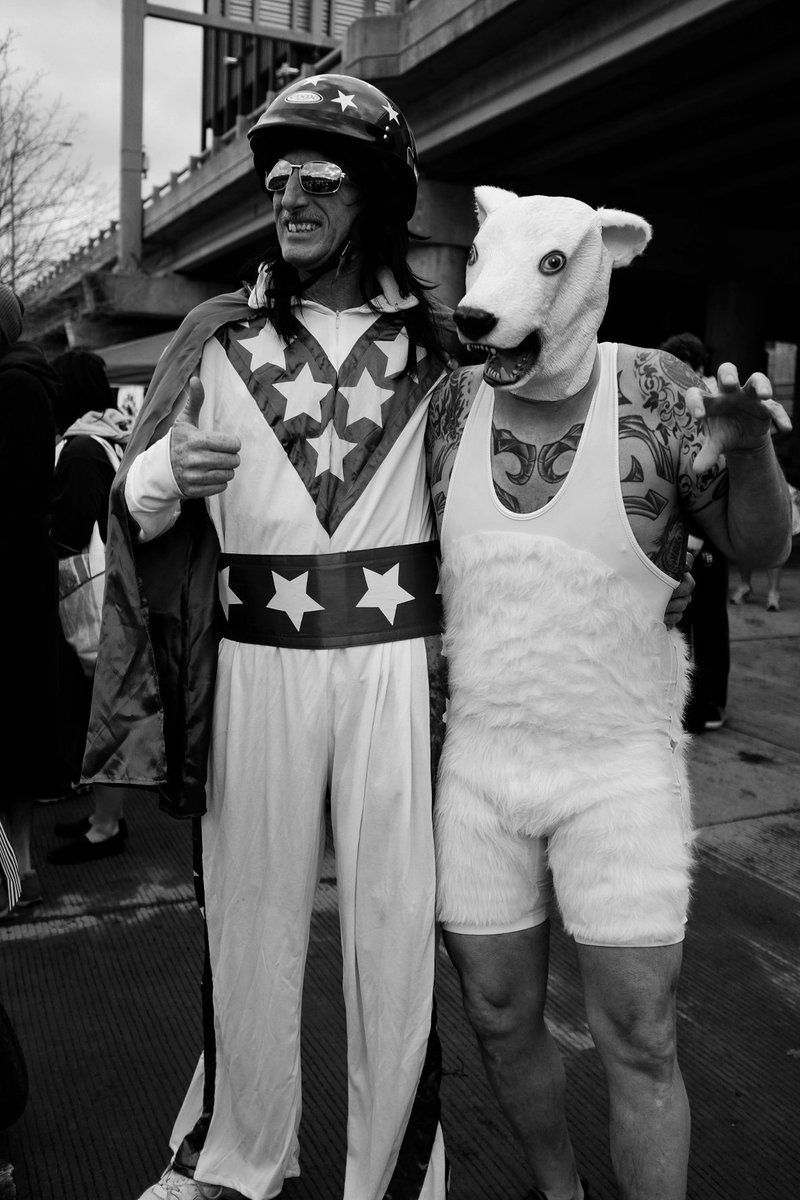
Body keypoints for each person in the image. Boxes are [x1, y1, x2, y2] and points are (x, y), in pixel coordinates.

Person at [81, 75, 454, 1200]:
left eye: (320, 180)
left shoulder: (441, 347)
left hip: (398, 667)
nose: (289, 196)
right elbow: (130, 514)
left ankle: (392, 1178)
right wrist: (158, 477)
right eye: (278, 178)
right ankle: (237, 1158)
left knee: (394, 934)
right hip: (250, 663)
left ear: (377, 199)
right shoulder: (213, 332)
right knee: (246, 919)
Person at [426, 187, 793, 1200]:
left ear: (594, 268)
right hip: (481, 764)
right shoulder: (450, 402)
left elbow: (758, 547)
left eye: (545, 267)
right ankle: (557, 1190)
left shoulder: (657, 390)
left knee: (637, 1029)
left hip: (618, 766)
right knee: (497, 1015)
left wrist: (753, 449)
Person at [46, 350, 133, 864]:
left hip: (93, 602)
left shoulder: (78, 449)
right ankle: (105, 813)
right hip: (116, 592)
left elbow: (73, 531)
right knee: (108, 710)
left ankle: (107, 825)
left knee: (104, 714)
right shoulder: (107, 437)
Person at [0, 284, 64, 918]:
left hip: (11, 588)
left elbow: (16, 497)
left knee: (11, 742)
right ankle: (18, 873)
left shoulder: (15, 389)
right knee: (13, 744)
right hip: (19, 583)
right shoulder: (22, 384)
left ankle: (15, 877)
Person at [660, 334, 730, 731]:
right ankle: (688, 703)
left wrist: (701, 535)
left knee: (707, 621)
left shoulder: (710, 404)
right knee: (684, 621)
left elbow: (717, 475)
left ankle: (710, 705)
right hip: (683, 534)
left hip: (706, 535)